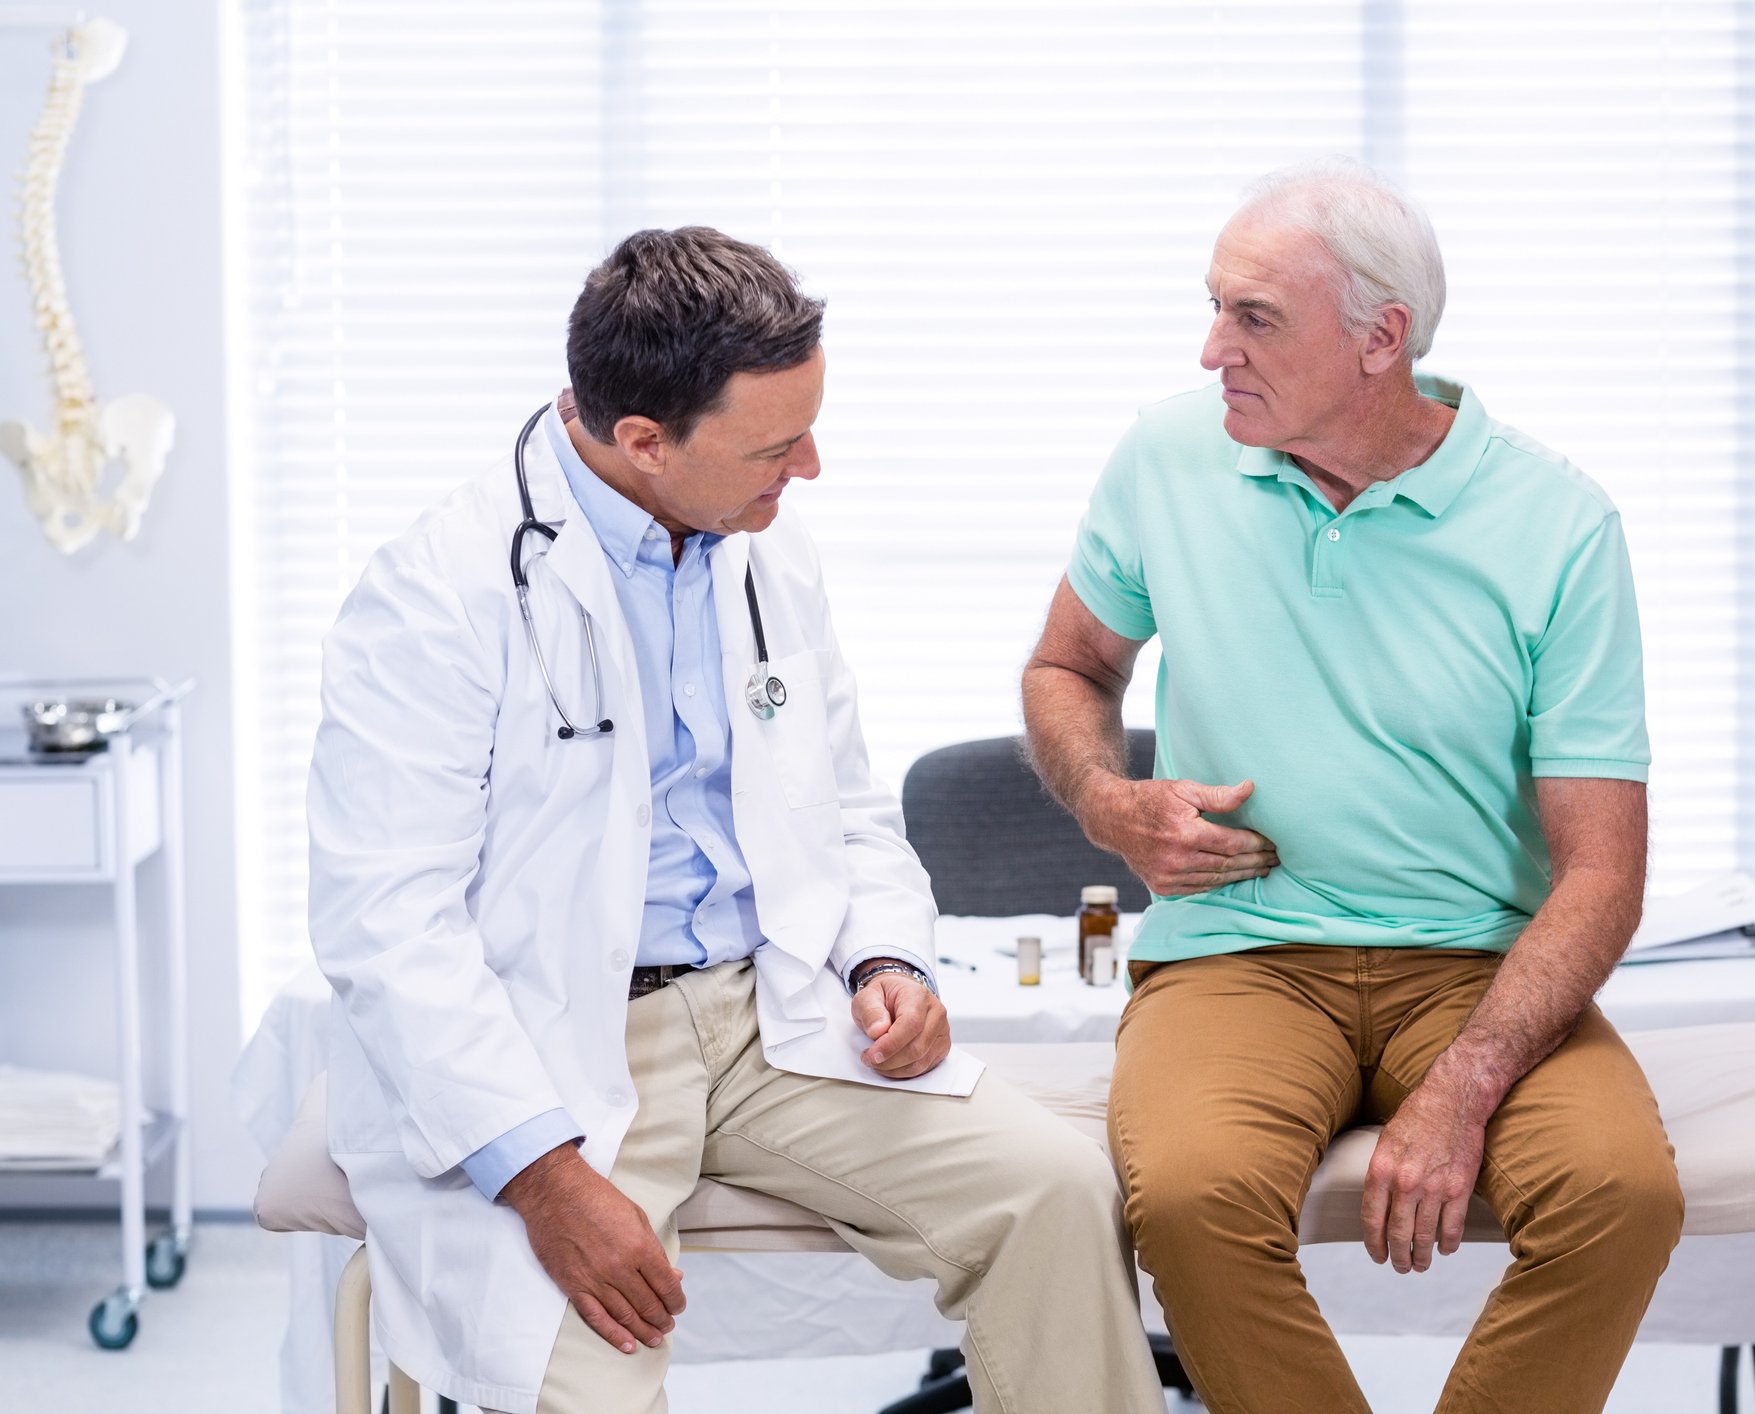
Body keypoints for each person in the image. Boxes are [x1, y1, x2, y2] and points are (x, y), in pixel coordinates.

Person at [308, 226, 1165, 1414]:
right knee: (577, 1386)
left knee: (1058, 1194)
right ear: (643, 441)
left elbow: (848, 800)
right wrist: (546, 1181)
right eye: (777, 442)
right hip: (555, 1044)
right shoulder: (436, 596)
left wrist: (887, 956)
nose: (809, 466)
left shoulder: (762, 547)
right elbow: (388, 926)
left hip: (772, 1012)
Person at [1021, 163, 1685, 1414]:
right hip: (1237, 957)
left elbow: (1602, 868)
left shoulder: (1558, 526)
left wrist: (1468, 1082)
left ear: (1382, 338)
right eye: (1214, 307)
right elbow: (1070, 665)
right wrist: (1112, 804)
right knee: (1194, 1200)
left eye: (1254, 316)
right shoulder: (1170, 459)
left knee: (1623, 1196)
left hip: (1476, 968)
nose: (1213, 347)